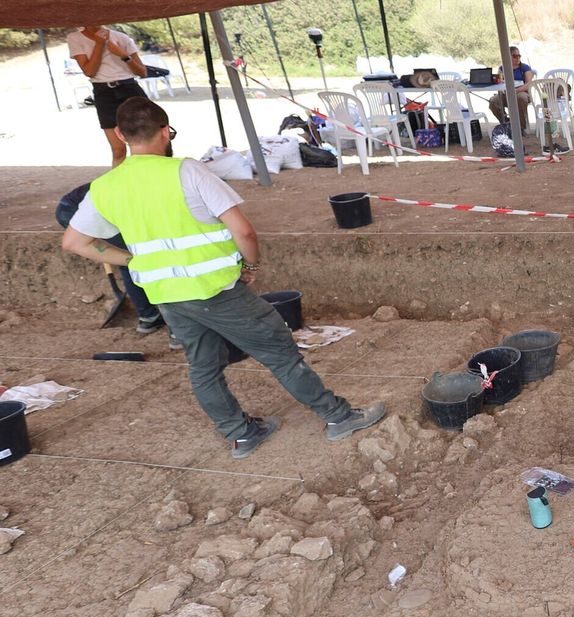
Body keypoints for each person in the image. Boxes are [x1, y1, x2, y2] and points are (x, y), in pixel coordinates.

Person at [59, 97, 387, 458]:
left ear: (119, 134)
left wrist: (134, 259)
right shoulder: (186, 171)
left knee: (203, 367)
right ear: (166, 132)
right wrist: (251, 267)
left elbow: (75, 242)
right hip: (215, 289)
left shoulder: (106, 186)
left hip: (168, 295)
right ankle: (337, 416)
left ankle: (240, 434)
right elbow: (243, 232)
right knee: (280, 353)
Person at [54, 184, 165, 336]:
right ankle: (152, 318)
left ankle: (149, 317)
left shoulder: (122, 181)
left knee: (125, 257)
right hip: (83, 211)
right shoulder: (151, 189)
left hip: (67, 208)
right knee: (137, 257)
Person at [69, 25, 148, 167]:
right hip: (104, 92)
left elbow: (142, 72)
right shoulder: (75, 38)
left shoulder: (121, 37)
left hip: (129, 88)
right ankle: (119, 185)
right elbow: (89, 71)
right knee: (118, 150)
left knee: (144, 147)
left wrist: (124, 55)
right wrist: (100, 44)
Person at [488, 46, 534, 129]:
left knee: (521, 98)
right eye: (514, 56)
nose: (517, 58)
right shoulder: (502, 68)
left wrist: (516, 91)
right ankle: (506, 123)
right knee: (493, 101)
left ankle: (521, 127)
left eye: (519, 56)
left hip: (522, 92)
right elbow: (499, 81)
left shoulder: (525, 67)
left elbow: (529, 84)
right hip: (506, 93)